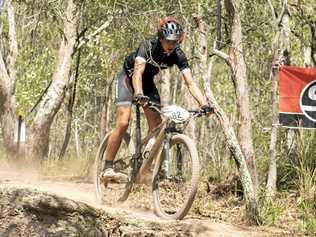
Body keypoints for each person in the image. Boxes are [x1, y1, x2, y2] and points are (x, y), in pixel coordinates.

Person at [101, 16, 212, 182]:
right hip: (128, 78)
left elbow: (190, 83)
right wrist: (138, 93)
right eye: (168, 41)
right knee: (123, 122)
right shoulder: (147, 46)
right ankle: (107, 167)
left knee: (157, 128)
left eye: (175, 42)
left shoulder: (178, 55)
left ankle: (144, 166)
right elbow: (137, 72)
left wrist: (204, 104)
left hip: (147, 84)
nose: (171, 45)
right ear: (160, 38)